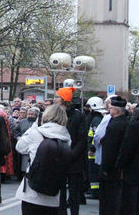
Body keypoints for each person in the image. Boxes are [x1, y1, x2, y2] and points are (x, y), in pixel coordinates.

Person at [16, 105, 71, 215]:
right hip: (54, 193)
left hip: (32, 191)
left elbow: (20, 147)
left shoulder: (36, 133)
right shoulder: (66, 138)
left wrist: (34, 126)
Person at [55, 87, 86, 215]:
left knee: (74, 192)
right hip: (60, 157)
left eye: (57, 97)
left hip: (74, 159)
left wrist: (72, 154)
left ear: (63, 100)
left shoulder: (78, 116)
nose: (55, 99)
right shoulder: (56, 114)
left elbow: (82, 139)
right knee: (60, 192)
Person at [99, 96, 128, 215]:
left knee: (109, 199)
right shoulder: (125, 122)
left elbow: (110, 149)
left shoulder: (115, 126)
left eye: (110, 108)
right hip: (119, 167)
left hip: (111, 169)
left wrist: (105, 168)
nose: (109, 110)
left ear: (116, 110)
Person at [85, 97, 107, 199]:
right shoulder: (96, 119)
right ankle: (93, 190)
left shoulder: (96, 120)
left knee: (94, 172)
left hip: (93, 152)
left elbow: (96, 136)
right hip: (93, 150)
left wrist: (92, 149)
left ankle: (95, 192)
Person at [14, 108, 39, 179]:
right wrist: (18, 137)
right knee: (20, 160)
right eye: (29, 114)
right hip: (23, 143)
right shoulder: (22, 122)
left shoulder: (38, 123)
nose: (30, 116)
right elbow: (16, 131)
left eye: (32, 114)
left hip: (34, 143)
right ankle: (20, 174)